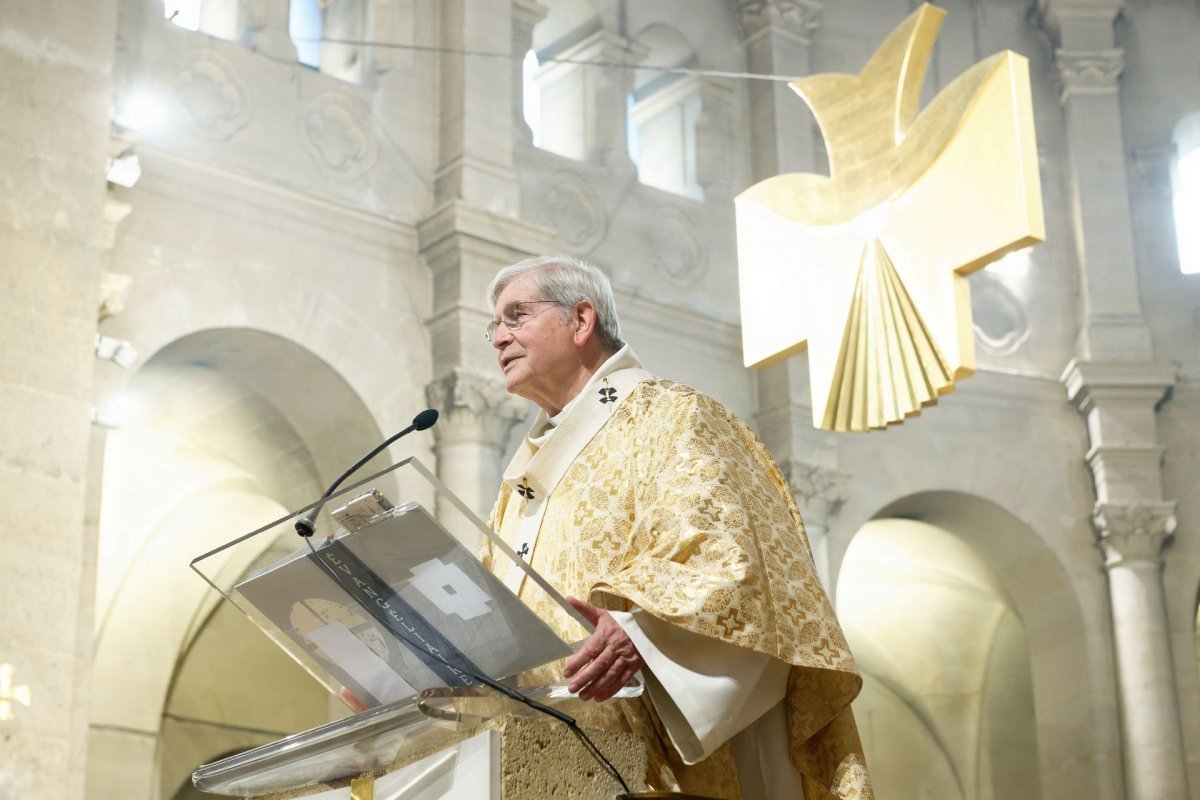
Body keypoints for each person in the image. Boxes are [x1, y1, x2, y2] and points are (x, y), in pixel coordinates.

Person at [482, 255, 872, 800]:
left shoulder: (674, 418)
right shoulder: (521, 482)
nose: (498, 338)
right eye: (494, 325)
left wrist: (643, 630)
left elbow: (738, 562)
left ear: (581, 320)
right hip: (542, 760)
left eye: (515, 316)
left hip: (651, 757)